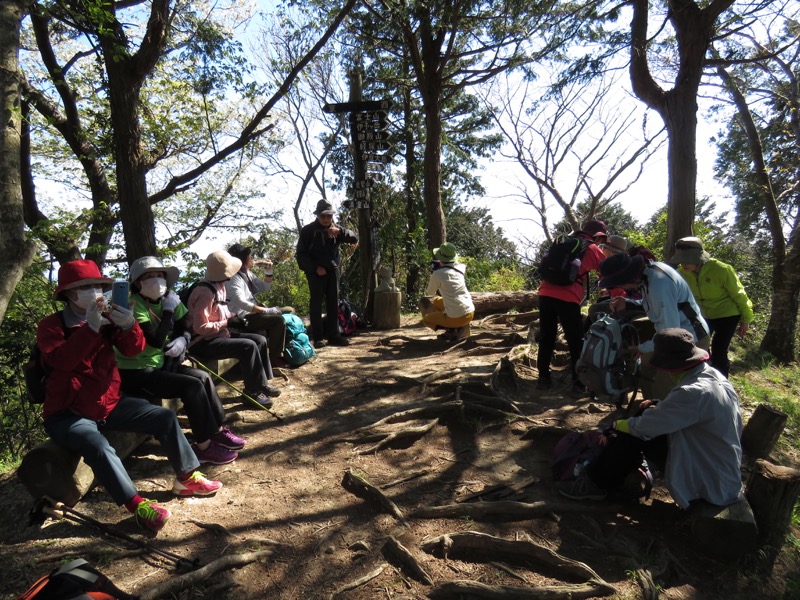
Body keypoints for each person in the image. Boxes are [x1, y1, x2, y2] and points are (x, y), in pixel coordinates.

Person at [38, 259, 223, 532]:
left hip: (109, 403)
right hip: (68, 413)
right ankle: (137, 506)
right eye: (84, 287)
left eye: (97, 286)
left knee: (163, 417)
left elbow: (133, 350)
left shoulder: (108, 317)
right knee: (99, 447)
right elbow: (62, 362)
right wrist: (89, 329)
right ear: (67, 294)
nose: (93, 291)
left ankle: (186, 477)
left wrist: (128, 325)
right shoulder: (52, 326)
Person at [557, 328, 744, 510]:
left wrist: (616, 425)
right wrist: (655, 405)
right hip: (717, 466)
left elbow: (643, 427)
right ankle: (617, 475)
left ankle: (597, 482)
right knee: (646, 412)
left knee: (632, 434)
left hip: (709, 479)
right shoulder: (712, 376)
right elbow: (684, 412)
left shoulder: (692, 392)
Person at [116, 256, 246, 466]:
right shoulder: (135, 305)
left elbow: (185, 324)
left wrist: (183, 339)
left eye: (160, 275)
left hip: (161, 364)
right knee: (191, 385)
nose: (156, 280)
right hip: (136, 372)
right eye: (149, 277)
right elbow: (155, 340)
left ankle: (218, 430)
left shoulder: (169, 298)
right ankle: (203, 446)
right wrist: (168, 311)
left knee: (203, 377)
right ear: (137, 282)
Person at [599, 250, 710, 400]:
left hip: (688, 340)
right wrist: (628, 303)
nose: (619, 287)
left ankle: (661, 413)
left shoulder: (659, 283)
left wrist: (642, 348)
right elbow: (654, 305)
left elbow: (671, 332)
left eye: (618, 283)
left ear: (628, 277)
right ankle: (650, 409)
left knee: (663, 385)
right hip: (673, 337)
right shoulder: (649, 274)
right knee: (645, 366)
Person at [186, 251, 281, 407]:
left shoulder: (219, 285)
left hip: (218, 335)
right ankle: (251, 393)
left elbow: (220, 313)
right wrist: (227, 323)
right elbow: (200, 327)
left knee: (260, 340)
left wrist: (232, 318)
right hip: (202, 342)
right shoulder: (205, 292)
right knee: (247, 346)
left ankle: (260, 384)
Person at [536, 219, 608, 391]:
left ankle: (543, 378)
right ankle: (578, 383)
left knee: (547, 336)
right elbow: (607, 272)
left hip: (545, 293)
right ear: (597, 236)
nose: (601, 243)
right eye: (602, 239)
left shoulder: (563, 242)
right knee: (576, 340)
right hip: (568, 298)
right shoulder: (592, 249)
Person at [671, 237, 754, 377]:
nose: (683, 263)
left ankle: (721, 386)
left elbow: (739, 294)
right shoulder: (681, 273)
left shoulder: (721, 269)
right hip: (702, 315)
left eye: (687, 259)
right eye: (681, 259)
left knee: (719, 350)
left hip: (727, 315)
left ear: (698, 258)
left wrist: (746, 319)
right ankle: (703, 379)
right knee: (698, 347)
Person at [296, 200, 359, 349]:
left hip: (333, 271)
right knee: (316, 304)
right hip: (315, 273)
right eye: (323, 216)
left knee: (333, 303)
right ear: (317, 215)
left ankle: (334, 336)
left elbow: (354, 238)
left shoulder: (336, 229)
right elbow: (300, 255)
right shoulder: (307, 231)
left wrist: (341, 232)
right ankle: (318, 338)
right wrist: (315, 267)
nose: (326, 219)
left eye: (329, 216)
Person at [226, 243, 294, 370]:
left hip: (253, 312)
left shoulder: (246, 274)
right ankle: (274, 357)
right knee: (278, 320)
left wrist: (268, 271)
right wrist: (267, 310)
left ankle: (285, 347)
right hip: (243, 317)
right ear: (242, 260)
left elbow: (265, 287)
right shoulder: (233, 278)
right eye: (249, 256)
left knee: (289, 310)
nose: (252, 258)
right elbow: (241, 303)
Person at [419, 242, 475, 341]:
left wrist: (435, 273)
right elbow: (451, 268)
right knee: (437, 302)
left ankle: (454, 330)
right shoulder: (461, 268)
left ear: (440, 259)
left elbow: (430, 293)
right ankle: (458, 327)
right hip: (470, 312)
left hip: (457, 317)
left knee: (427, 319)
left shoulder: (437, 274)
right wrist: (442, 267)